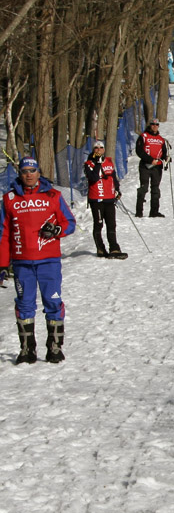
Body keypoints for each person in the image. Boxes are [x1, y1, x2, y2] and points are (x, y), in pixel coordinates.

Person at [0, 157, 76, 364]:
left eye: (32, 170)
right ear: (20, 173)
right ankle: (27, 349)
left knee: (52, 302)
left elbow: (70, 223)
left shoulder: (53, 195)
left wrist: (57, 230)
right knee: (24, 305)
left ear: (38, 173)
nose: (29, 174)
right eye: (25, 171)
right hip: (22, 263)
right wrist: (2, 264)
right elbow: (3, 233)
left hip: (48, 261)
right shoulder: (9, 199)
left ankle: (54, 347)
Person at [84, 141, 125, 259]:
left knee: (111, 224)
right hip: (96, 199)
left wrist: (117, 189)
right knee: (99, 224)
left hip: (109, 198)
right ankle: (100, 248)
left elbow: (113, 176)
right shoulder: (88, 163)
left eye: (101, 147)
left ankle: (114, 248)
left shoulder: (109, 161)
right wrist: (97, 164)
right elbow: (93, 178)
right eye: (96, 148)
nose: (98, 150)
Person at [135, 117, 169, 218]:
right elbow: (139, 151)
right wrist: (150, 160)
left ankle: (154, 211)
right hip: (145, 165)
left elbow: (163, 153)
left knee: (155, 189)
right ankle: (139, 212)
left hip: (157, 167)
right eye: (153, 124)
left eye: (157, 125)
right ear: (150, 125)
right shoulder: (144, 136)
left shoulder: (161, 139)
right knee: (143, 188)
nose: (155, 126)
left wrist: (166, 158)